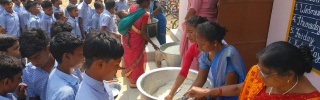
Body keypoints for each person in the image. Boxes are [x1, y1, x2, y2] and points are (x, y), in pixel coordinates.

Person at [184, 41, 320, 99]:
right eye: (260, 69)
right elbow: (241, 88)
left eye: (265, 73)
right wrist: (207, 92)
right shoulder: (259, 71)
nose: (259, 76)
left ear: (289, 74)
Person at [189, 22, 246, 100]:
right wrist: (189, 94)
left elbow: (229, 86)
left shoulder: (228, 56)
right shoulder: (206, 53)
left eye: (202, 44)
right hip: (216, 93)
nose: (199, 48)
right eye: (198, 44)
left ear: (214, 42)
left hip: (228, 96)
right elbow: (200, 80)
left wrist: (206, 95)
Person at [118, 0, 159, 88]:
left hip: (127, 36)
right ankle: (135, 81)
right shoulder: (145, 14)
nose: (149, 3)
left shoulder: (132, 7)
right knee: (138, 59)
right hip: (136, 39)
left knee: (130, 57)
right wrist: (153, 44)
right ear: (143, 2)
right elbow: (144, 33)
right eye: (147, 2)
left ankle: (129, 77)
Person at [164, 16, 207, 100]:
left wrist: (186, 96)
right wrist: (171, 94)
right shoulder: (193, 48)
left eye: (190, 32)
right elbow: (183, 73)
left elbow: (202, 79)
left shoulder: (210, 48)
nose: (187, 36)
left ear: (200, 31)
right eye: (187, 32)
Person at [75, 31, 124, 100]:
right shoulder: (87, 97)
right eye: (116, 64)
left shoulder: (99, 81)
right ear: (100, 64)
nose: (118, 68)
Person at [20, 28, 57, 100]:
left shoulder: (65, 62)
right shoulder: (28, 73)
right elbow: (32, 97)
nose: (34, 63)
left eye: (37, 57)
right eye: (30, 59)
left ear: (48, 49)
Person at [46, 32, 84, 100]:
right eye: (81, 53)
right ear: (67, 57)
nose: (84, 56)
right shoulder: (67, 94)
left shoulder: (54, 72)